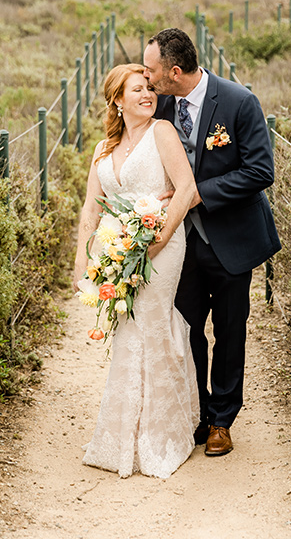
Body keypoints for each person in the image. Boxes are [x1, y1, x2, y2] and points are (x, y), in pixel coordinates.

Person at [143, 28, 281, 457]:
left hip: (231, 240)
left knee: (229, 331)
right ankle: (197, 414)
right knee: (186, 331)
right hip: (177, 243)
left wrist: (198, 192)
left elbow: (260, 171)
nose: (148, 79)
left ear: (175, 71)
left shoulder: (240, 102)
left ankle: (222, 420)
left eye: (152, 71)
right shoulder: (160, 104)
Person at [74, 63, 199, 479]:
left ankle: (164, 435)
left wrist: (157, 238)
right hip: (119, 249)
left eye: (149, 87)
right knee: (129, 327)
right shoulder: (102, 149)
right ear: (117, 100)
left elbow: (187, 189)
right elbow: (92, 208)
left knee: (151, 321)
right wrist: (85, 260)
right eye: (137, 89)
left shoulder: (162, 131)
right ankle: (123, 432)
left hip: (163, 244)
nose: (148, 94)